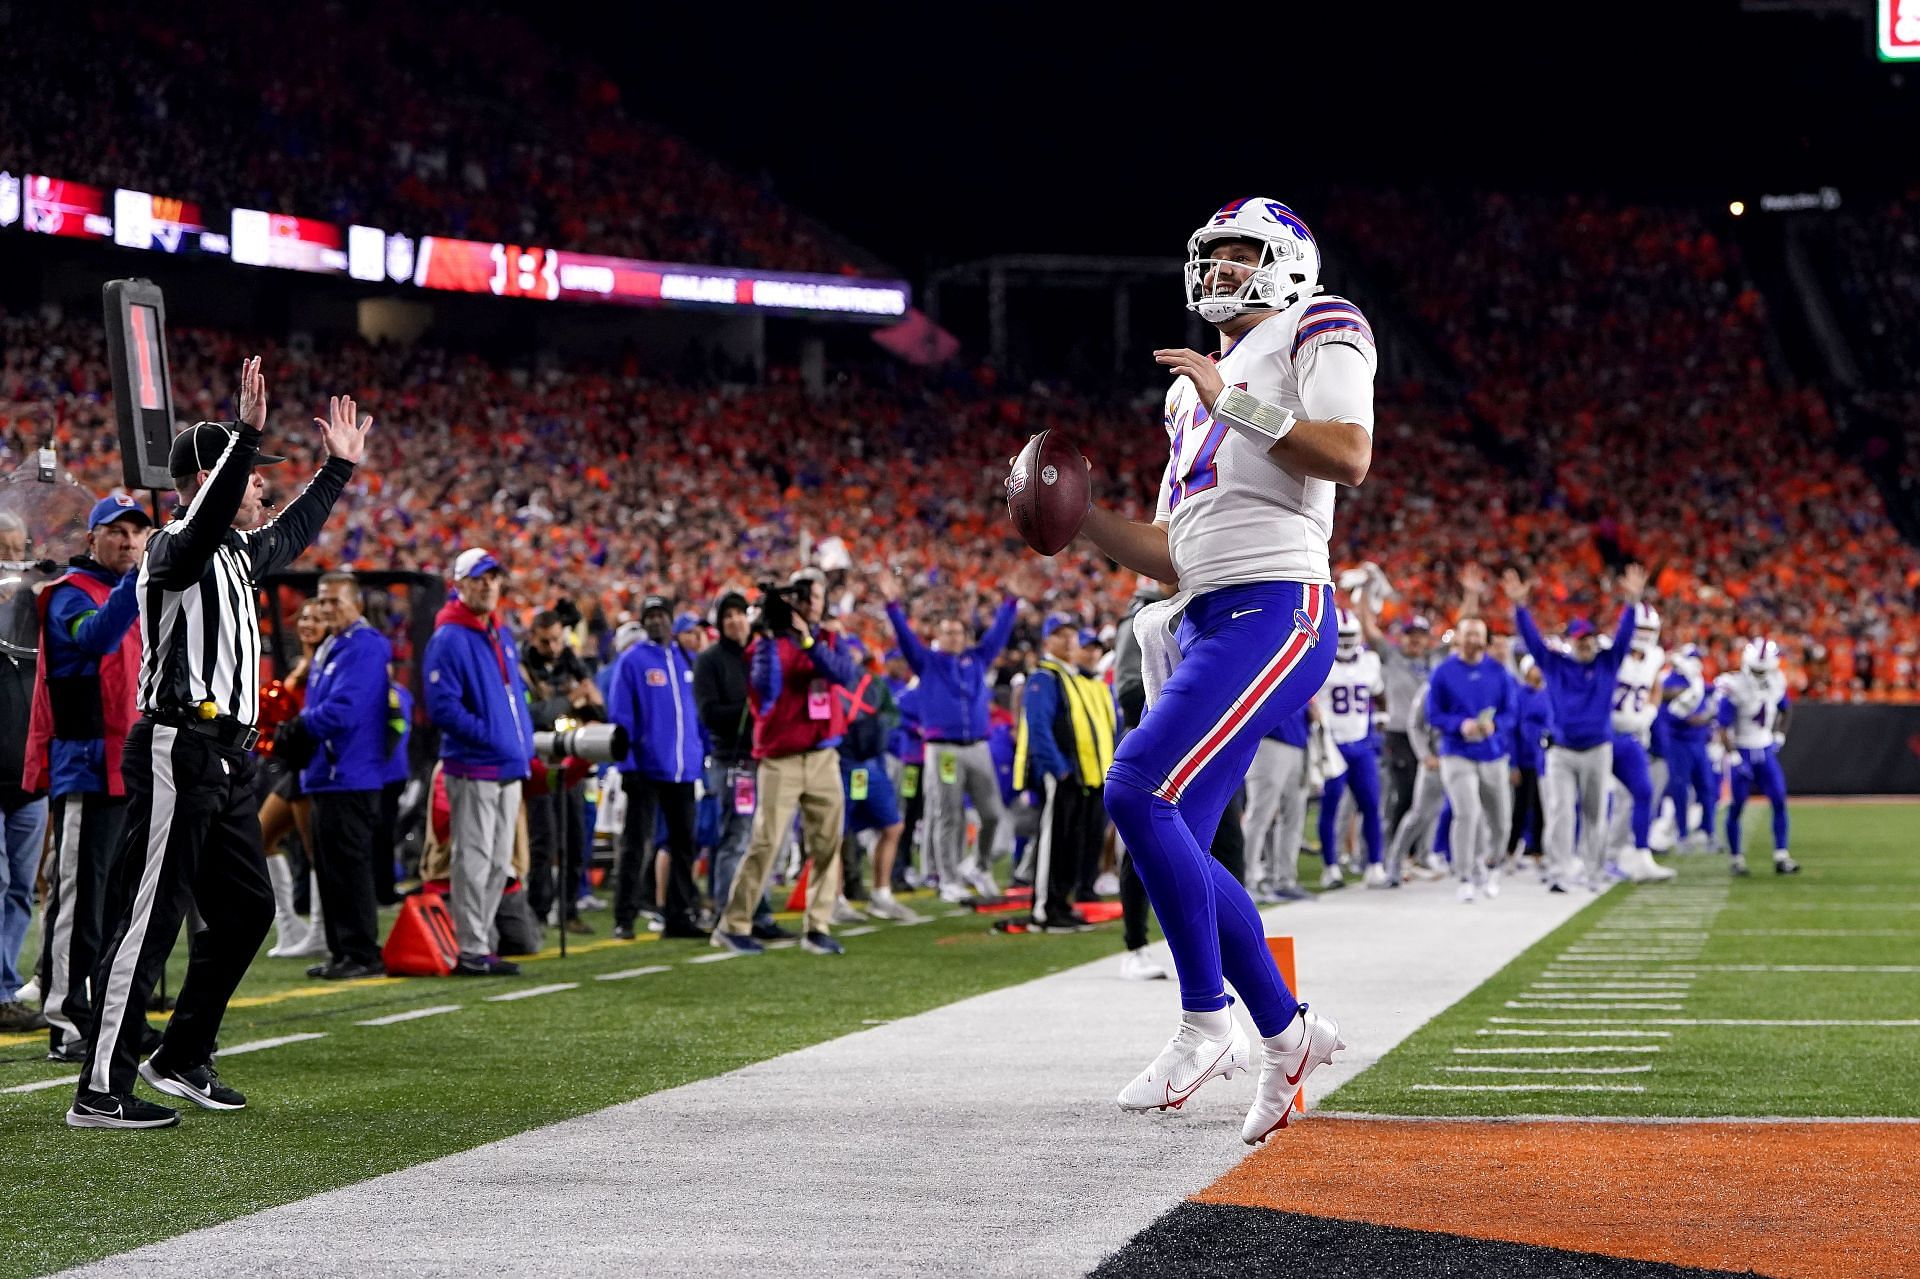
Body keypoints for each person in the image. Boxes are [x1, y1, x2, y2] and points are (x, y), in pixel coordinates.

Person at [1062, 196, 1371, 1143]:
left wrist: (1227, 396)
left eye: (1242, 254)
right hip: (1202, 612)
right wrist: (1074, 519)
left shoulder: (1322, 321)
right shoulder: (1187, 386)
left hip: (1278, 602)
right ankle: (1260, 1032)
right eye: (1214, 254)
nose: (1221, 269)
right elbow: (1175, 550)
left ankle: (1233, 1022)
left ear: (1286, 263)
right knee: (1176, 841)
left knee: (1135, 791)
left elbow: (1349, 457)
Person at [70, 362, 369, 1129]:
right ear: (209, 479)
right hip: (178, 743)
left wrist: (339, 468)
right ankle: (100, 1085)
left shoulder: (237, 553)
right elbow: (200, 524)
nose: (264, 487)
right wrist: (244, 433)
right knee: (152, 917)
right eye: (250, 476)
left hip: (228, 758)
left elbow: (293, 530)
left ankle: (180, 1053)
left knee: (246, 910)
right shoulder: (175, 543)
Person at [23, 494, 150, 1055]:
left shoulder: (142, 593)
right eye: (116, 531)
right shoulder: (67, 595)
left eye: (137, 532)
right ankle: (69, 1020)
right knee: (81, 897)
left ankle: (115, 1014)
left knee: (123, 902)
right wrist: (142, 581)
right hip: (89, 765)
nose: (128, 541)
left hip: (135, 767)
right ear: (91, 538)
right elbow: (94, 636)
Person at [713, 569, 856, 956]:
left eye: (817, 596)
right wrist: (775, 637)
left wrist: (809, 641)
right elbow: (767, 691)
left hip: (823, 753)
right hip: (780, 759)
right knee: (766, 843)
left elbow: (844, 674)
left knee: (828, 844)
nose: (812, 603)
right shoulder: (765, 643)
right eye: (804, 596)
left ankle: (818, 925)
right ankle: (734, 924)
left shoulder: (827, 638)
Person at [875, 564, 1038, 902]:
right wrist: (892, 606)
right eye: (947, 632)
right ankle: (947, 878)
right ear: (937, 637)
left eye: (958, 632)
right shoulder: (927, 662)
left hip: (977, 746)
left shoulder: (977, 659)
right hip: (943, 750)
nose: (953, 637)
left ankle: (977, 866)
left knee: (992, 814)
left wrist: (1011, 602)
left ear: (965, 636)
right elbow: (905, 638)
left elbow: (999, 633)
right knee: (946, 814)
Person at [423, 547, 535, 978]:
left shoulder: (497, 631)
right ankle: (470, 946)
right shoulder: (449, 636)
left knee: (495, 860)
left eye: (493, 578)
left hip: (507, 764)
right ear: (460, 584)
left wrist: (519, 745)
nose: (489, 585)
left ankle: (480, 942)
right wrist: (496, 739)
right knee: (473, 858)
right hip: (475, 764)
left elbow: (511, 700)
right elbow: (443, 707)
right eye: (480, 578)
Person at [1504, 563, 1649, 893]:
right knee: (1559, 813)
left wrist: (1632, 603)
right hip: (1562, 751)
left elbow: (1626, 636)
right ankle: (1558, 872)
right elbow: (1531, 639)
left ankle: (1594, 872)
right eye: (1579, 639)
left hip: (1598, 748)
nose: (1584, 645)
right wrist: (1520, 607)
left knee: (1595, 814)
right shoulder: (1555, 665)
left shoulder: (1607, 663)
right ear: (1569, 641)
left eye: (1588, 640)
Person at [289, 572, 394, 979]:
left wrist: (300, 726)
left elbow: (344, 711)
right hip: (328, 772)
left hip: (350, 773)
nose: (327, 608)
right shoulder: (335, 644)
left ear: (357, 605)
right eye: (322, 600)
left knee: (349, 869)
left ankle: (363, 954)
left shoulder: (364, 646)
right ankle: (341, 952)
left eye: (335, 601)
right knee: (331, 869)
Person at [607, 595, 705, 940]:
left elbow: (695, 716)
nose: (657, 621)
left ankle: (678, 916)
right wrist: (628, 763)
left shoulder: (685, 660)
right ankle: (624, 917)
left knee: (683, 845)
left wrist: (697, 757)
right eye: (650, 616)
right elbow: (621, 717)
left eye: (662, 615)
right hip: (645, 769)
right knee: (636, 845)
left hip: (683, 769)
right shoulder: (632, 661)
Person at [693, 591, 787, 941]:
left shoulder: (762, 654)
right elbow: (709, 714)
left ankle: (759, 911)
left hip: (767, 758)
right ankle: (729, 913)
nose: (735, 621)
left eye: (739, 613)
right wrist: (752, 709)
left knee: (765, 838)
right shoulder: (710, 660)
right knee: (736, 838)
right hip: (733, 760)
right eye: (727, 615)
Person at [1013, 617, 1115, 932]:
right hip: (1060, 774)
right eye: (1061, 636)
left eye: (1072, 635)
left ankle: (1061, 904)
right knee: (1053, 842)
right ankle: (1043, 910)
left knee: (1070, 842)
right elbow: (1039, 728)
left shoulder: (1070, 677)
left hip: (1079, 774)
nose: (1070, 641)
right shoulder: (1045, 677)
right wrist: (1058, 769)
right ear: (1048, 641)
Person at [1424, 615, 1518, 902]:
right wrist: (1459, 725)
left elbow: (1511, 713)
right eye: (1469, 634)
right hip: (1457, 751)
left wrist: (1496, 725)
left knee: (1501, 820)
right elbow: (1432, 714)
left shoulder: (1499, 672)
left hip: (1491, 752)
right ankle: (1464, 875)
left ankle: (1492, 867)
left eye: (1479, 634)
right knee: (1467, 813)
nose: (1474, 640)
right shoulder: (1443, 672)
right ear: (1458, 638)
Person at [259, 599, 330, 957]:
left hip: (314, 765)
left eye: (317, 619)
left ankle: (321, 930)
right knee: (260, 837)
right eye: (304, 617)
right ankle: (289, 925)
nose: (308, 624)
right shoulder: (300, 663)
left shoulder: (329, 662)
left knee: (315, 850)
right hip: (293, 767)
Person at [523, 609, 602, 934]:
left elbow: (598, 709)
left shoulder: (573, 664)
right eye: (546, 641)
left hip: (572, 763)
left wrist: (588, 699)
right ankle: (538, 913)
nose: (553, 647)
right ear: (533, 638)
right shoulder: (522, 669)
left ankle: (568, 910)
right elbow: (532, 714)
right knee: (544, 841)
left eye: (557, 639)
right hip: (540, 765)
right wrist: (571, 698)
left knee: (574, 838)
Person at [0, 511, 49, 1034]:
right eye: (2, 549)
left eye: (18, 548)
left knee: (19, 886)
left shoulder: (37, 611)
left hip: (29, 775)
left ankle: (6, 987)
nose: (11, 559)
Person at [833, 638, 920, 922]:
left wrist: (875, 729)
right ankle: (834, 898)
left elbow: (892, 715)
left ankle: (881, 894)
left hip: (871, 762)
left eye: (855, 649)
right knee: (834, 833)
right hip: (840, 761)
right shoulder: (828, 679)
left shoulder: (872, 682)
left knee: (893, 825)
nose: (852, 653)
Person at [1311, 610, 1388, 889]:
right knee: (1330, 808)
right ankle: (1331, 867)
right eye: (1340, 636)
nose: (1344, 642)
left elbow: (1379, 694)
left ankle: (1375, 865)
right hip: (1333, 746)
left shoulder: (1370, 661)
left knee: (1370, 804)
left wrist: (1380, 719)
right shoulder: (1322, 662)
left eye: (1348, 636)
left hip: (1361, 744)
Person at [1606, 603, 1676, 883]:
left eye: (1650, 630)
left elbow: (1656, 685)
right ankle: (1598, 859)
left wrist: (1649, 712)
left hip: (1632, 735)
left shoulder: (1655, 656)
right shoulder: (1611, 653)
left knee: (1643, 791)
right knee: (1601, 800)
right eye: (1640, 629)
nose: (1645, 636)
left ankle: (1641, 856)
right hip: (1603, 732)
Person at [1716, 637, 1798, 876]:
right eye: (1756, 669)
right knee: (1738, 805)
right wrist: (1732, 755)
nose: (1760, 675)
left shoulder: (1776, 682)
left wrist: (1779, 735)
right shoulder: (1734, 685)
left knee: (1779, 799)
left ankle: (1781, 855)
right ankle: (1736, 859)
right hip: (1742, 749)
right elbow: (1723, 726)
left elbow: (1786, 709)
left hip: (1764, 749)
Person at [1240, 709, 1311, 903]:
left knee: (1294, 817)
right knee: (1259, 815)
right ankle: (1247, 880)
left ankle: (1284, 880)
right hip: (1268, 741)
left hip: (1299, 741)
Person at [1658, 644, 1719, 852]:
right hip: (1679, 741)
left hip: (1699, 742)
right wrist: (1689, 718)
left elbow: (1715, 690)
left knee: (1707, 788)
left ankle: (1708, 832)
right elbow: (1665, 709)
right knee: (1680, 788)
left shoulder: (1697, 681)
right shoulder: (1671, 681)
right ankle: (1682, 834)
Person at [1507, 656, 1555, 866]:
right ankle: (1510, 850)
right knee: (1519, 807)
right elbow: (1513, 730)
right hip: (1525, 758)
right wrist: (1513, 763)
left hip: (1544, 759)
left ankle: (1538, 851)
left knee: (1541, 806)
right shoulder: (1519, 694)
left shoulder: (1549, 692)